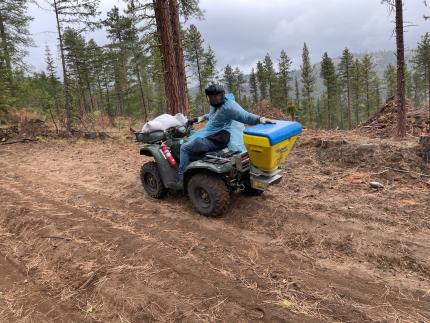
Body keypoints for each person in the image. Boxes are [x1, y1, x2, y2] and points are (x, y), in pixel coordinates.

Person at [176, 81, 275, 188]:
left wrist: (260, 119)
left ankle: (181, 179)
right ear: (208, 97)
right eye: (213, 97)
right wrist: (198, 118)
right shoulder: (215, 106)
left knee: (184, 147)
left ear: (223, 94)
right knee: (193, 140)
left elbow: (245, 116)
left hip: (218, 136)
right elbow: (212, 116)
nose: (216, 99)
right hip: (217, 134)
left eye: (218, 96)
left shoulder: (229, 107)